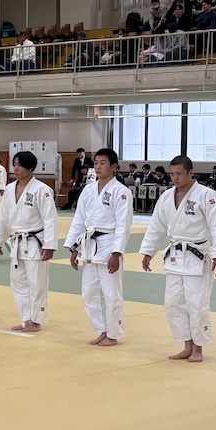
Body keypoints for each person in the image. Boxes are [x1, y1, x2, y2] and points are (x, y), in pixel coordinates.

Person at [139, 156, 216, 363]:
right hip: (175, 257)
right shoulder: (166, 196)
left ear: (191, 173)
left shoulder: (207, 195)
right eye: (172, 174)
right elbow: (156, 226)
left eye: (179, 174)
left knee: (196, 304)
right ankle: (187, 345)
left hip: (197, 256)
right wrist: (148, 251)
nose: (175, 178)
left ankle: (198, 348)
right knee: (173, 304)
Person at [67, 148, 133, 346]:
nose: (98, 166)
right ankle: (103, 329)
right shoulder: (88, 190)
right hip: (89, 245)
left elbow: (123, 225)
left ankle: (113, 333)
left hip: (109, 244)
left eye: (102, 163)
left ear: (114, 166)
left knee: (111, 293)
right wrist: (74, 247)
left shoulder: (121, 192)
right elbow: (79, 220)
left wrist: (116, 252)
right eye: (96, 163)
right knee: (90, 292)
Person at [0, 150, 58, 333]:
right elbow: (4, 217)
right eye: (14, 164)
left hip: (35, 242)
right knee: (18, 283)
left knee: (36, 283)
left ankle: (36, 320)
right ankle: (26, 319)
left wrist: (50, 245)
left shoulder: (42, 190)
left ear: (30, 168)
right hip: (17, 242)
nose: (16, 168)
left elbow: (50, 219)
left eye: (19, 165)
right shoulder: (9, 189)